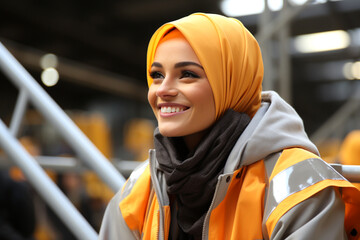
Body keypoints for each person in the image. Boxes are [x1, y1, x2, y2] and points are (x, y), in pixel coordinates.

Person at [99, 13, 360, 240]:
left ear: (231, 82)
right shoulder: (139, 188)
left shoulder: (301, 187)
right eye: (157, 75)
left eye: (187, 74)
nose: (163, 90)